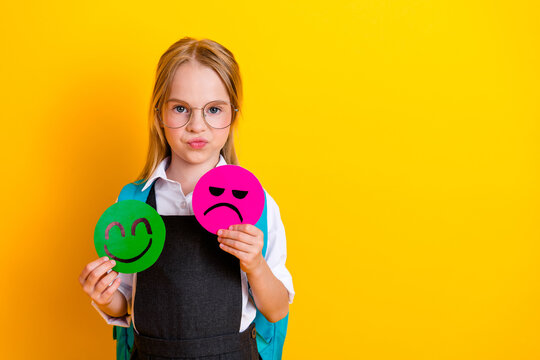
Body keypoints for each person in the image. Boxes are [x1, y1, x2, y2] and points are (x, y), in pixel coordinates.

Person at [78, 36, 294, 360]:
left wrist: (256, 266)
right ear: (158, 114)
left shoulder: (256, 205)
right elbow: (125, 303)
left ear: (233, 116)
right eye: (181, 108)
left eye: (213, 110)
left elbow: (276, 310)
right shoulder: (133, 205)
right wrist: (104, 295)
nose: (197, 126)